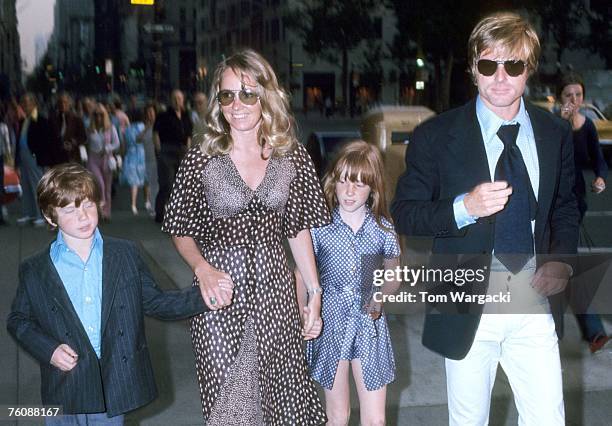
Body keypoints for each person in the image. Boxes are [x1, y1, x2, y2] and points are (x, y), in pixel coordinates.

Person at [391, 12, 579, 425]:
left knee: (549, 418)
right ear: (473, 69)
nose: (500, 76)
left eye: (512, 65)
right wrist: (465, 208)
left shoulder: (553, 134)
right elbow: (404, 213)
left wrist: (561, 261)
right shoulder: (436, 136)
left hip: (532, 300)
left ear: (529, 69)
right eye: (488, 64)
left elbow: (566, 206)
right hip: (465, 301)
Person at [162, 48, 330, 424]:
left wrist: (315, 294)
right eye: (226, 95)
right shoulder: (202, 157)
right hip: (220, 295)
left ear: (266, 96)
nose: (236, 104)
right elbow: (179, 228)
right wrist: (202, 269)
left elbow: (298, 229)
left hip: (276, 296)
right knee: (230, 407)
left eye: (247, 94)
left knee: (283, 403)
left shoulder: (291, 156)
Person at [6, 163, 215, 425]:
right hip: (64, 386)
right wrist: (49, 350)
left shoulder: (125, 254)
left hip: (110, 384)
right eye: (70, 210)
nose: (83, 216)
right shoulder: (35, 269)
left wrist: (206, 297)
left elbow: (156, 302)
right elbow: (18, 320)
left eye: (88, 205)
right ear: (50, 217)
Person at [301, 140, 400, 426]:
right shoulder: (319, 227)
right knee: (337, 415)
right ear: (334, 181)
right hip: (330, 322)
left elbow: (394, 274)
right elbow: (301, 274)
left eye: (358, 183)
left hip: (369, 326)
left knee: (375, 420)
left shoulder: (382, 229)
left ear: (373, 188)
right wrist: (305, 311)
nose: (349, 191)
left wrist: (379, 294)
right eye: (343, 180)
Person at [557, 72, 610, 353]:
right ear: (559, 98)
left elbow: (598, 160)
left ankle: (592, 330)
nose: (574, 101)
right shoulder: (553, 127)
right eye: (569, 95)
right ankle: (591, 330)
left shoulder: (587, 126)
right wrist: (561, 123)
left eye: (578, 95)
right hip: (548, 205)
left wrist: (600, 178)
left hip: (572, 206)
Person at [15, 93, 65, 226]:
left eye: (28, 103)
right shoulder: (23, 120)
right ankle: (28, 213)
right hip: (24, 156)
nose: (25, 106)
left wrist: (43, 157)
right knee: (25, 186)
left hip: (34, 157)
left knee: (37, 186)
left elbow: (46, 141)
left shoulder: (41, 120)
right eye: (23, 103)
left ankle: (41, 215)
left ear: (34, 104)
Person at [153, 89, 192, 223]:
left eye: (180, 99)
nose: (177, 101)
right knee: (167, 184)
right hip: (167, 151)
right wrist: (158, 150)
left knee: (180, 185)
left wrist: (188, 150)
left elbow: (188, 135)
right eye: (175, 98)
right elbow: (156, 133)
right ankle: (161, 212)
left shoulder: (186, 116)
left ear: (183, 100)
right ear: (171, 100)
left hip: (181, 151)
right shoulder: (163, 115)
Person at [86, 104, 120, 221]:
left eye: (101, 114)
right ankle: (99, 209)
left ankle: (106, 212)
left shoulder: (110, 127)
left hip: (106, 159)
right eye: (96, 115)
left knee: (107, 188)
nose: (98, 117)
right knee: (99, 184)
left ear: (105, 115)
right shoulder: (90, 128)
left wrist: (107, 148)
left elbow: (117, 143)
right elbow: (86, 143)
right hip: (93, 159)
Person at [50, 93, 87, 163]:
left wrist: (73, 143)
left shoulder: (77, 119)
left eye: (65, 102)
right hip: (58, 156)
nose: (63, 105)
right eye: (60, 102)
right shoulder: (53, 119)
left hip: (72, 156)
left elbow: (83, 137)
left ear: (70, 104)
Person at [120, 119, 147, 215]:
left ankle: (133, 204)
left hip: (130, 154)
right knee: (145, 178)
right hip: (142, 153)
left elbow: (123, 145)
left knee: (133, 181)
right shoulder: (143, 126)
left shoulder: (126, 129)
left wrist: (123, 156)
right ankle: (147, 201)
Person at [140, 103, 158, 217]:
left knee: (158, 184)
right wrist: (147, 127)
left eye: (151, 112)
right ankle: (153, 207)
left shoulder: (160, 126)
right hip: (148, 159)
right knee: (152, 184)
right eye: (148, 113)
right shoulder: (145, 127)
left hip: (158, 158)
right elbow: (138, 139)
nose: (150, 115)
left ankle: (157, 206)